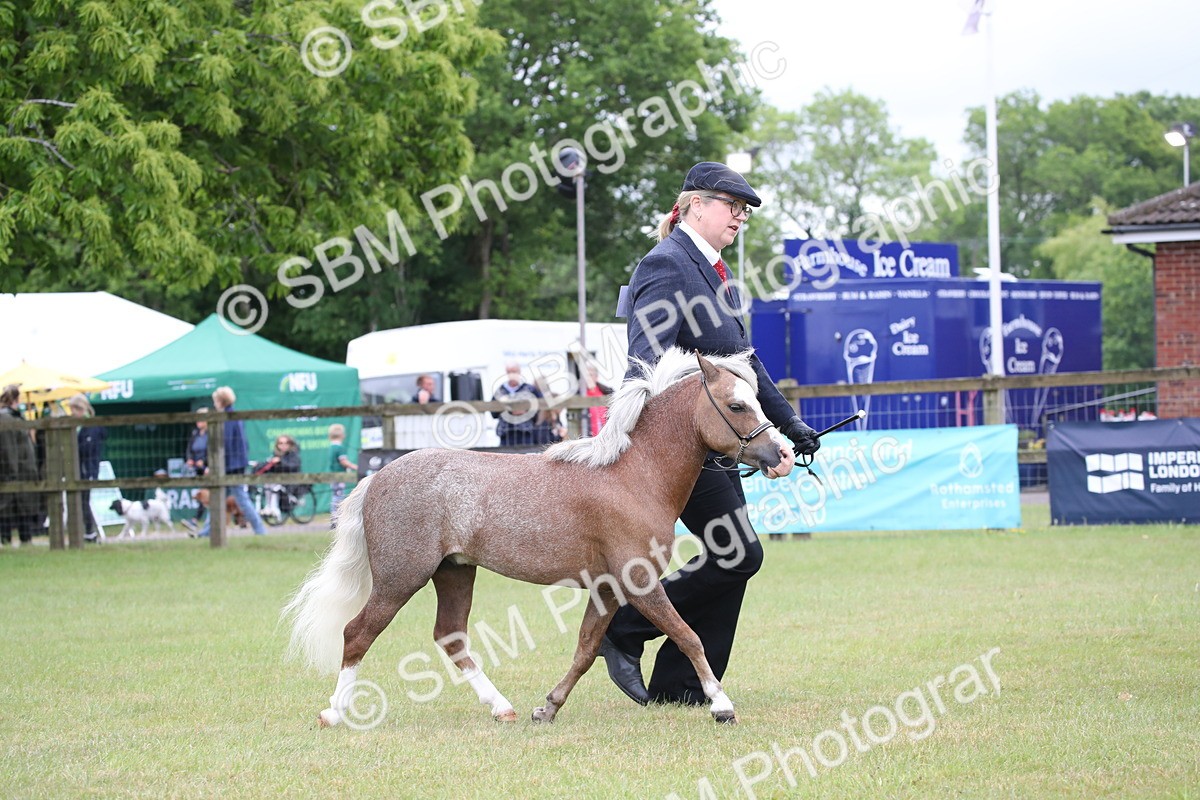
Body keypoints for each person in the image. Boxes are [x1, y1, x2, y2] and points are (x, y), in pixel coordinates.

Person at [598, 161, 821, 706]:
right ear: (695, 205)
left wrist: (789, 425)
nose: (740, 216)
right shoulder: (667, 264)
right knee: (739, 554)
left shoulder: (714, 272)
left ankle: (679, 688)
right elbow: (642, 357)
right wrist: (626, 430)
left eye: (744, 210)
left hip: (715, 443)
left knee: (735, 559)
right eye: (732, 205)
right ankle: (623, 627)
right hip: (673, 446)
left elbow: (742, 361)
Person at [193, 386, 265, 537]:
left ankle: (259, 529)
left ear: (220, 401)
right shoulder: (233, 416)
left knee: (240, 499)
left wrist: (214, 465)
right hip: (234, 464)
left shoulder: (226, 419)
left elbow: (224, 444)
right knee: (219, 498)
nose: (214, 404)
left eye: (215, 401)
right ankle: (206, 532)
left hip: (230, 466)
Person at [0, 385, 40, 546]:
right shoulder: (6, 419)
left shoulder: (15, 417)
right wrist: (12, 472)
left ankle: (25, 540)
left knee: (24, 507)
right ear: (16, 399)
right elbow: (9, 449)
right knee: (7, 508)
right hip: (15, 472)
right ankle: (7, 540)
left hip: (23, 471)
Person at [67, 394, 106, 542]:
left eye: (73, 410)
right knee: (80, 501)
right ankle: (85, 531)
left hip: (87, 468)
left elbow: (88, 448)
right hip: (77, 469)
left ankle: (89, 532)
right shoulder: (78, 426)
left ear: (81, 409)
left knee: (84, 500)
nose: (72, 413)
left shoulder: (91, 426)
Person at [491, 362, 544, 447]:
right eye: (509, 372)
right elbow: (493, 413)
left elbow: (541, 406)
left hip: (525, 434)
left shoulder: (530, 389)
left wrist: (526, 411)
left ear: (519, 372)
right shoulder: (500, 391)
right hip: (506, 434)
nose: (512, 375)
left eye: (514, 372)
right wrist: (507, 409)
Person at [258, 434, 301, 521]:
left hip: (291, 483)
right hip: (276, 482)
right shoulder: (275, 455)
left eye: (286, 443)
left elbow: (293, 467)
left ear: (290, 444)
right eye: (280, 443)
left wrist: (280, 462)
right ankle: (268, 506)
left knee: (275, 485)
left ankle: (275, 509)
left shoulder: (294, 456)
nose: (283, 445)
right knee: (268, 484)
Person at [181, 410, 208, 532]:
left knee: (206, 494)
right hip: (198, 469)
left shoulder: (211, 433)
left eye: (201, 419)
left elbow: (214, 450)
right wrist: (190, 459)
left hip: (209, 469)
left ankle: (195, 520)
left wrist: (205, 462)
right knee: (204, 495)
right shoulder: (195, 433)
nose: (198, 422)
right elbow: (189, 449)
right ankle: (197, 521)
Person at [327, 423, 357, 525]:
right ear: (341, 435)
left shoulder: (331, 447)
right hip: (339, 476)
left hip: (333, 475)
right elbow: (343, 461)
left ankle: (334, 517)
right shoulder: (340, 448)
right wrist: (354, 467)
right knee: (338, 497)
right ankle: (336, 519)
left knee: (335, 496)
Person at [583, 363, 613, 437]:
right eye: (586, 376)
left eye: (590, 375)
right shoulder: (580, 395)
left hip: (606, 436)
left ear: (596, 377)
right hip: (587, 438)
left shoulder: (606, 392)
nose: (588, 378)